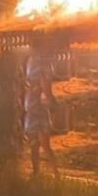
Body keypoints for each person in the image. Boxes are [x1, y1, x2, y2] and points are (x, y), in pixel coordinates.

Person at [23, 38, 59, 177]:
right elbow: (45, 83)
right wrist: (52, 101)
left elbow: (29, 81)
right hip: (40, 107)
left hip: (31, 105)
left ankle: (36, 173)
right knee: (45, 145)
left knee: (34, 145)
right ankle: (55, 174)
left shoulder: (31, 61)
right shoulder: (44, 63)